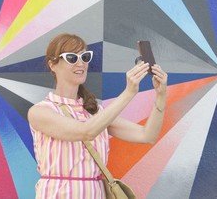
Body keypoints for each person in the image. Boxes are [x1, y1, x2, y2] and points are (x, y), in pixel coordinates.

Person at [28, 33, 167, 198]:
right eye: (72, 58)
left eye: (85, 57)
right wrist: (129, 92)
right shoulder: (40, 111)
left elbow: (147, 135)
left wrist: (161, 94)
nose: (81, 63)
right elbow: (86, 131)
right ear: (53, 64)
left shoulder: (95, 112)